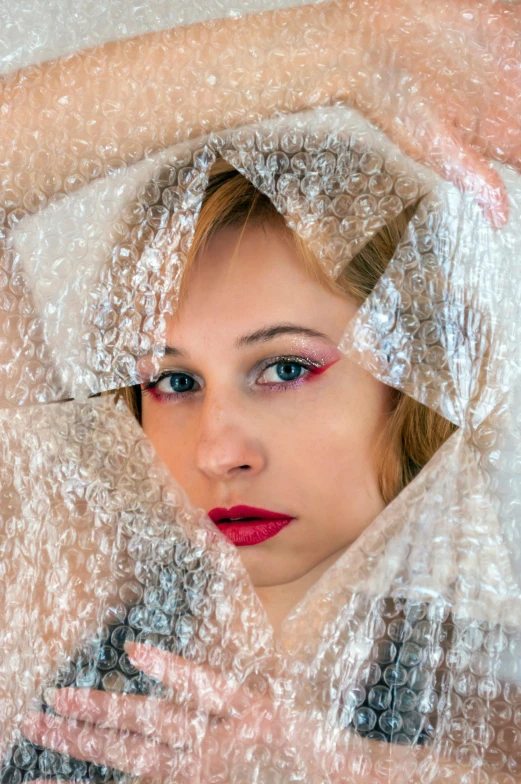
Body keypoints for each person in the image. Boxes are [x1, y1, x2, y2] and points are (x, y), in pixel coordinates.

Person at [2, 0, 521, 781]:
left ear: (417, 384)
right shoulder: (84, 586)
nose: (219, 451)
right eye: (173, 381)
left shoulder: (485, 708)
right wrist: (345, 47)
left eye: (284, 369)